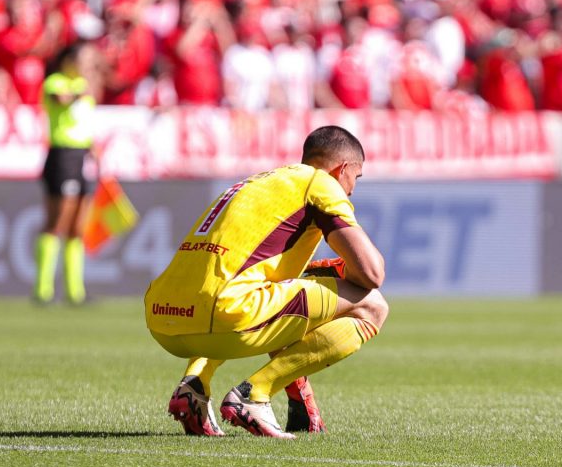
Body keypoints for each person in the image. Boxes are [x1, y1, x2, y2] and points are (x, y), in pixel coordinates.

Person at [145, 126, 389, 439]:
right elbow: (372, 273)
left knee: (257, 292)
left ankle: (195, 384)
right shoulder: (320, 183)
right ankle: (254, 394)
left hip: (163, 320)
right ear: (341, 170)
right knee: (372, 305)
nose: (353, 189)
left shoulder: (254, 183)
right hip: (225, 315)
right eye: (356, 177)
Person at [33, 43, 99, 305]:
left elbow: (83, 123)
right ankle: (43, 289)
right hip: (63, 156)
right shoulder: (56, 83)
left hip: (81, 155)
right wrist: (79, 91)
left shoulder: (84, 87)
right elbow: (60, 101)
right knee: (57, 221)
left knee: (78, 226)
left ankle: (75, 291)